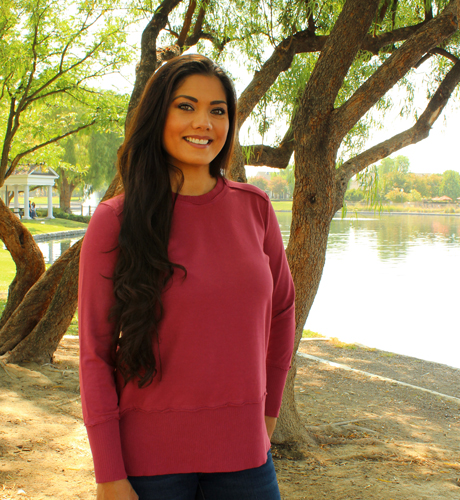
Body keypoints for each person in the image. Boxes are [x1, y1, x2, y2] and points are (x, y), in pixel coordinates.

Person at [78, 54, 295, 500]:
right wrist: (108, 474)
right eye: (186, 106)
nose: (204, 123)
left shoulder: (255, 208)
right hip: (147, 466)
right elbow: (95, 354)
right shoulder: (115, 220)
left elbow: (282, 312)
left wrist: (267, 413)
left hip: (247, 460)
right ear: (158, 115)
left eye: (218, 110)